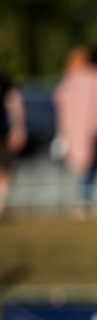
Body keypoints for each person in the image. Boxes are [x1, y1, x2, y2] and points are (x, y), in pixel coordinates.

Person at [53, 45, 97, 215]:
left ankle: (82, 198)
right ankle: (84, 198)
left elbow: (60, 98)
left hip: (74, 131)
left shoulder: (73, 78)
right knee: (92, 166)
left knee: (84, 165)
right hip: (96, 132)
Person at [0, 73, 27, 217]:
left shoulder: (3, 81)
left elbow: (14, 101)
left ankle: (1, 204)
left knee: (4, 169)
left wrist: (18, 127)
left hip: (2, 134)